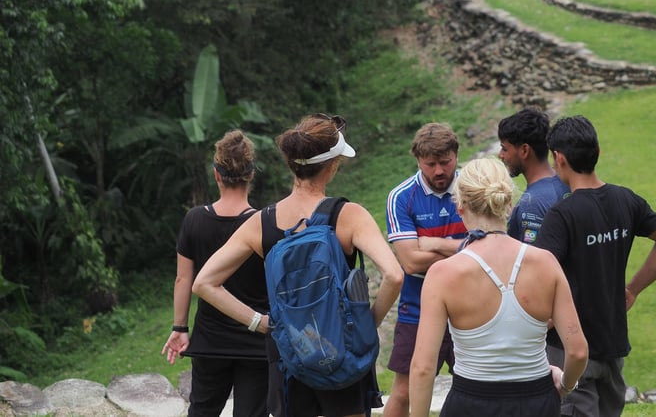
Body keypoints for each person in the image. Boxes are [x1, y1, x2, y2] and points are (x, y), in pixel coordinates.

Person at [193, 114, 403, 417]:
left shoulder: (261, 222)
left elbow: (204, 283)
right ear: (332, 166)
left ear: (291, 165)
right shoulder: (349, 215)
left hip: (290, 353)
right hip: (343, 351)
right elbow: (394, 275)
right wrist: (365, 324)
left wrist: (260, 323)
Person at [409, 158, 588, 417]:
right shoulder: (545, 263)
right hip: (537, 399)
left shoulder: (443, 274)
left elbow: (423, 368)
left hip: (471, 402)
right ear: (509, 204)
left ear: (460, 206)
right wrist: (566, 385)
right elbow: (578, 351)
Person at [536, 116, 656, 417]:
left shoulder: (562, 215)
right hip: (613, 348)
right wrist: (633, 289)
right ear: (598, 152)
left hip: (570, 350)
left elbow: (536, 275)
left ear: (559, 158)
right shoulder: (625, 200)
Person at [161, 129, 273, 417]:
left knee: (202, 411)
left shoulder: (194, 220)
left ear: (216, 174)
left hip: (210, 341)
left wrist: (180, 328)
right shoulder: (263, 224)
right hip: (256, 342)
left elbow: (183, 279)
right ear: (251, 173)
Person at [382, 123, 467, 417]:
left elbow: (491, 246)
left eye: (445, 162)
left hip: (470, 305)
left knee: (476, 388)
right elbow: (411, 262)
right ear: (418, 160)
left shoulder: (473, 188)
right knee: (404, 391)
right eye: (431, 164)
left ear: (456, 155)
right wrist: (464, 248)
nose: (439, 171)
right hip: (417, 306)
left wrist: (434, 243)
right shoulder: (401, 197)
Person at [498, 107, 570, 244]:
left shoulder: (531, 204)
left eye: (504, 148)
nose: (500, 155)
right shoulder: (568, 183)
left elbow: (530, 256)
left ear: (524, 150)